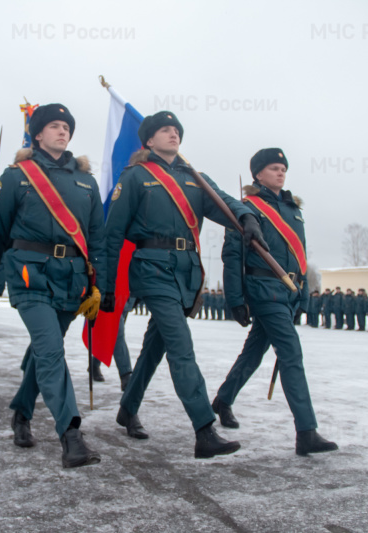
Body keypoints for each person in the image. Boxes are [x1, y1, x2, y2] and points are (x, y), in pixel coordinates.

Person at [104, 111, 262, 459]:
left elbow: (224, 202)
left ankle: (127, 409)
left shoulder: (195, 178)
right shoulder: (135, 177)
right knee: (181, 345)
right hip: (151, 268)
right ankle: (204, 430)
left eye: (176, 129)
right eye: (165, 129)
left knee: (155, 346)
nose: (173, 133)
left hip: (187, 272)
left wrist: (246, 216)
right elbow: (112, 235)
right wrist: (106, 285)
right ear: (149, 140)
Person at [0, 103, 106, 468]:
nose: (62, 132)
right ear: (37, 133)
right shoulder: (17, 176)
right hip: (29, 274)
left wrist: (102, 283)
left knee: (42, 353)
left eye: (66, 127)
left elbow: (97, 236)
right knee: (51, 350)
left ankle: (21, 411)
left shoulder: (87, 181)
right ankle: (71, 435)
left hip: (72, 280)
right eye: (53, 126)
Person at [214, 147, 337, 456]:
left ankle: (222, 400)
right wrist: (235, 298)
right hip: (263, 288)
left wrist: (304, 294)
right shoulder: (247, 207)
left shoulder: (294, 210)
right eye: (273, 168)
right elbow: (232, 256)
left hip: (289, 290)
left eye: (283, 168)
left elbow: (302, 257)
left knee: (253, 353)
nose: (280, 172)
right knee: (291, 352)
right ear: (257, 174)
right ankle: (306, 431)